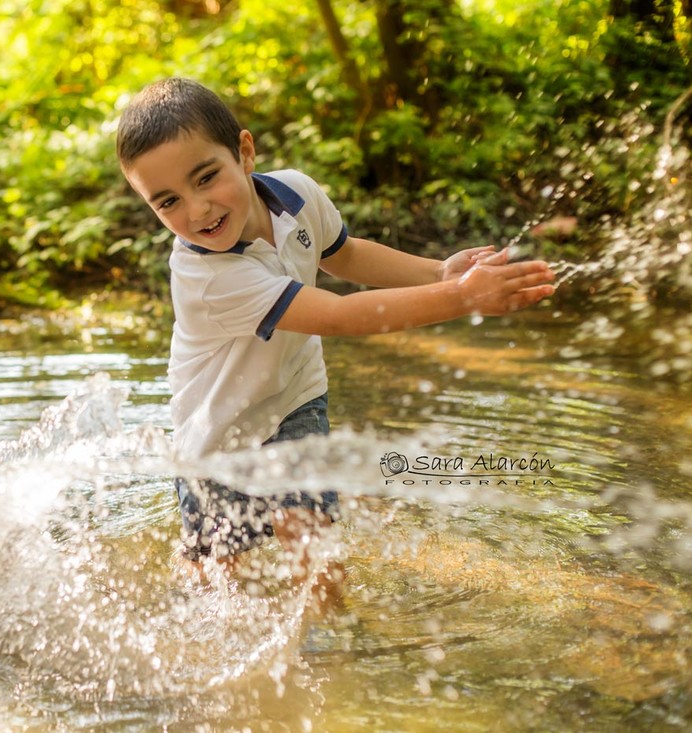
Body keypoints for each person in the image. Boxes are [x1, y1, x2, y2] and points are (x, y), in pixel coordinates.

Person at [115, 77, 556, 591]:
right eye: (167, 202)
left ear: (245, 152)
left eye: (207, 178)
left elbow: (345, 255)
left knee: (317, 548)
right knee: (219, 578)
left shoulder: (296, 194)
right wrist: (462, 298)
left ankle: (332, 646)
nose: (197, 210)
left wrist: (439, 274)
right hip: (219, 438)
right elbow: (339, 316)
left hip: (296, 399)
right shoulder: (207, 278)